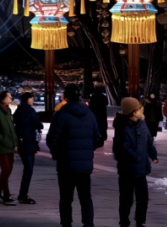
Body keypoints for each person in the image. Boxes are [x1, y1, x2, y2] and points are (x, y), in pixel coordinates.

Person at [46, 84, 104, 227]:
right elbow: (97, 138)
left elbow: (52, 139)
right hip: (85, 165)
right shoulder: (89, 114)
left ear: (66, 97)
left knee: (66, 198)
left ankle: (67, 223)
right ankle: (88, 223)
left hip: (66, 164)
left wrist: (57, 154)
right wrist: (87, 151)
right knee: (86, 197)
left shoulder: (61, 115)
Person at [113, 97, 158, 227]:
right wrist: (135, 157)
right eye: (138, 109)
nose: (141, 110)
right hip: (127, 169)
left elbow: (148, 141)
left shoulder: (142, 124)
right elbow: (121, 148)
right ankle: (124, 221)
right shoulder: (122, 126)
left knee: (143, 197)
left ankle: (140, 221)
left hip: (141, 168)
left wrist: (153, 155)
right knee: (126, 198)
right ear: (131, 111)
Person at [13, 92, 43, 204]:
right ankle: (23, 195)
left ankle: (23, 194)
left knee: (28, 169)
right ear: (27, 99)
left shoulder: (22, 111)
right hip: (27, 142)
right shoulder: (27, 111)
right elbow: (36, 124)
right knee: (29, 169)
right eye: (31, 98)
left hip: (27, 142)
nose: (33, 100)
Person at [0, 91, 18, 205]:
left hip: (10, 145)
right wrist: (3, 140)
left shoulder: (8, 110)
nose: (11, 98)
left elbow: (12, 128)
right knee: (6, 170)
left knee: (9, 170)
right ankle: (6, 194)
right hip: (2, 145)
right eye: (9, 97)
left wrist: (14, 142)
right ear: (3, 99)